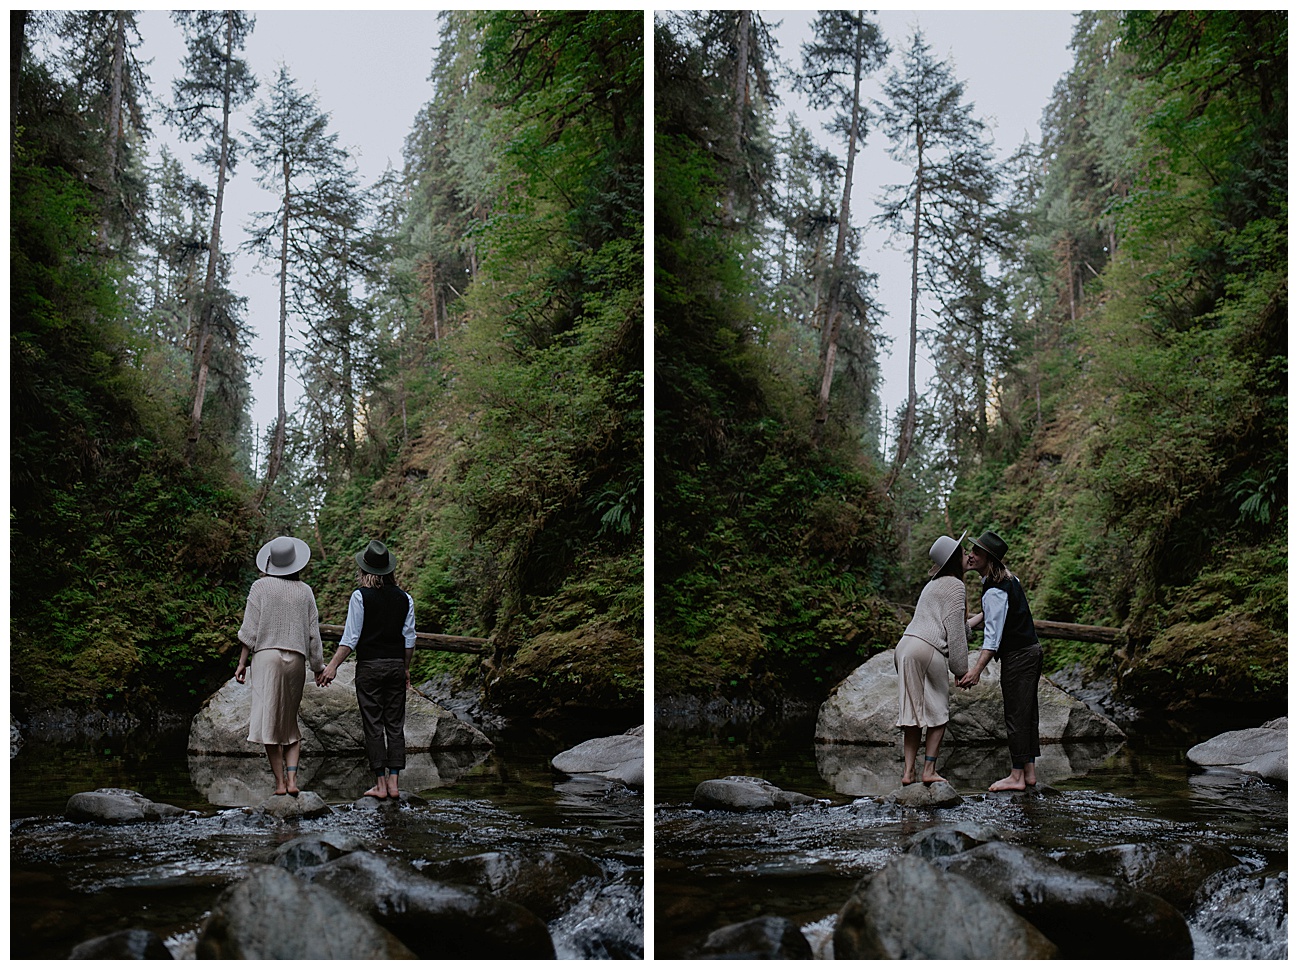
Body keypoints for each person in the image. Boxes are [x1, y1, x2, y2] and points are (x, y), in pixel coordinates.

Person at [318, 539, 416, 800]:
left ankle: (381, 786)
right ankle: (395, 784)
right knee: (395, 724)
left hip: (370, 668)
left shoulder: (360, 597)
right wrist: (405, 668)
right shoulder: (405, 599)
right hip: (395, 665)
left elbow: (351, 638)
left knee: (374, 725)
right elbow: (409, 640)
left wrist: (332, 666)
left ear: (365, 571)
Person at [235, 536, 324, 797]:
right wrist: (318, 666)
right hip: (296, 659)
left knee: (269, 724)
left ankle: (280, 784)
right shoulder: (305, 591)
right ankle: (294, 780)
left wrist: (242, 663)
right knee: (290, 723)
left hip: (266, 658)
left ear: (270, 563)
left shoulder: (260, 587)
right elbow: (313, 634)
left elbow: (249, 631)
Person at [958, 530, 1043, 792]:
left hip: (1019, 655)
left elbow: (993, 637)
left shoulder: (995, 588)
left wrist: (976, 670)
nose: (970, 555)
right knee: (1027, 715)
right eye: (971, 551)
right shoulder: (1005, 580)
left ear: (989, 558)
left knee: (1016, 715)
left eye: (977, 552)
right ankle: (1028, 772)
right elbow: (992, 613)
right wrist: (968, 624)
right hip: (1030, 652)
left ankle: (1016, 776)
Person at [894, 531, 970, 785]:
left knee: (912, 712)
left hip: (905, 646)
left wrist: (978, 619)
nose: (967, 555)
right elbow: (955, 633)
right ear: (954, 559)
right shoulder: (956, 585)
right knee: (938, 711)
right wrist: (960, 669)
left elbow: (954, 623)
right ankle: (929, 771)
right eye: (963, 552)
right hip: (927, 649)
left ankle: (908, 773)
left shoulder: (933, 585)